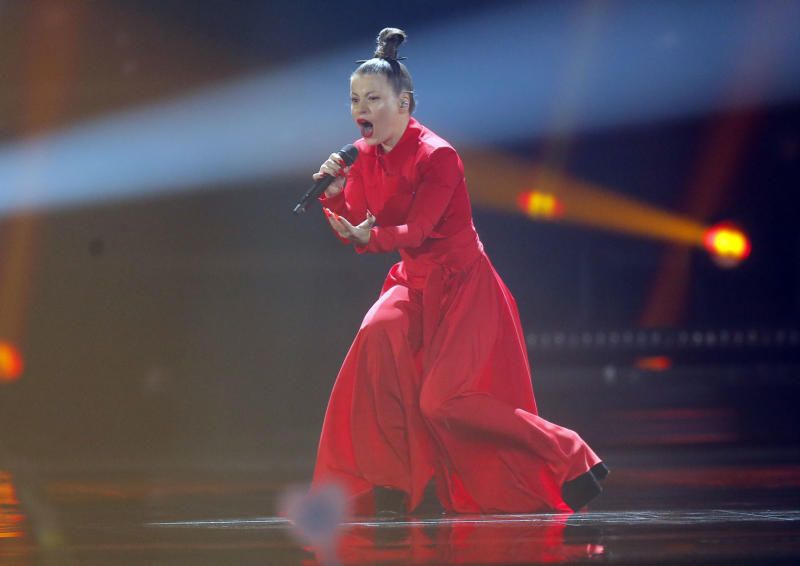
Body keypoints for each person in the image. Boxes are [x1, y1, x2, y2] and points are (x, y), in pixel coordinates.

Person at [311, 28, 607, 517]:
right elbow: (362, 226)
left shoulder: (438, 155)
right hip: (412, 282)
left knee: (444, 402)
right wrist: (337, 196)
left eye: (373, 99)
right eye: (355, 100)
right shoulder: (363, 157)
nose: (361, 109)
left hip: (462, 286)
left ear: (403, 103)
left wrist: (370, 237)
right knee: (376, 336)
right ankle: (393, 481)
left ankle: (569, 451)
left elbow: (418, 229)